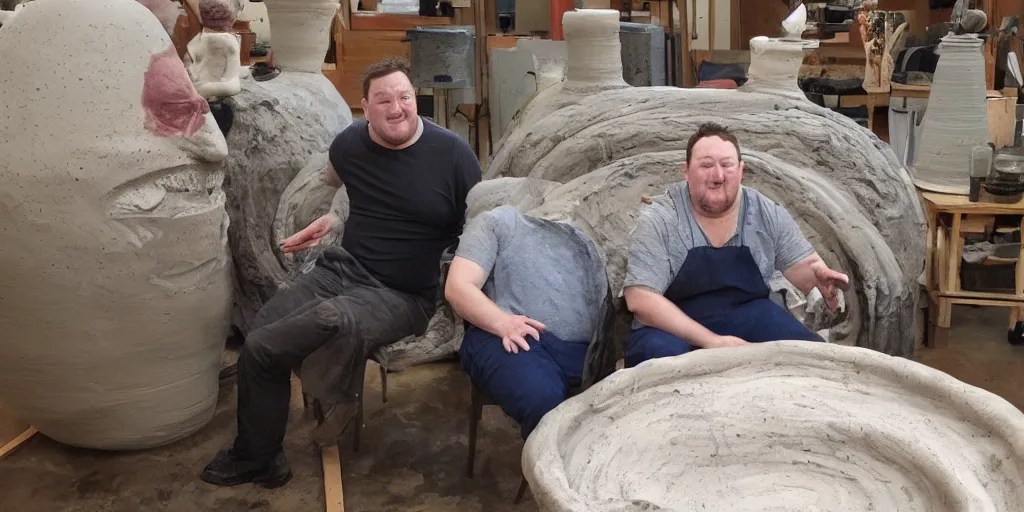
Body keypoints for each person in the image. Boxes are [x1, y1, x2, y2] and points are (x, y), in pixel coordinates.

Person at [201, 57, 482, 488]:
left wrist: (464, 291)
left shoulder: (453, 155)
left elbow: (478, 224)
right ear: (364, 108)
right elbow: (343, 188)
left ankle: (336, 402)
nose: (396, 108)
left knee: (332, 320)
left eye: (404, 97)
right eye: (383, 99)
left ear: (416, 100)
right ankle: (260, 455)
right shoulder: (350, 145)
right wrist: (334, 219)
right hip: (342, 270)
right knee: (260, 339)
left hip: (404, 295)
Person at [622, 122, 849, 367]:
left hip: (750, 314)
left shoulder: (764, 211)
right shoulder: (660, 218)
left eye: (727, 165)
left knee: (808, 357)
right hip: (670, 324)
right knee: (661, 358)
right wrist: (713, 342)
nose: (717, 176)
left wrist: (819, 277)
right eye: (706, 165)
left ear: (741, 171)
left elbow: (802, 265)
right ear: (686, 171)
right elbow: (640, 299)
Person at [445, 205, 609, 439]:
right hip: (504, 335)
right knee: (543, 397)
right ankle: (543, 471)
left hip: (581, 350)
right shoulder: (498, 221)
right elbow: (457, 287)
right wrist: (503, 322)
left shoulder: (583, 234)